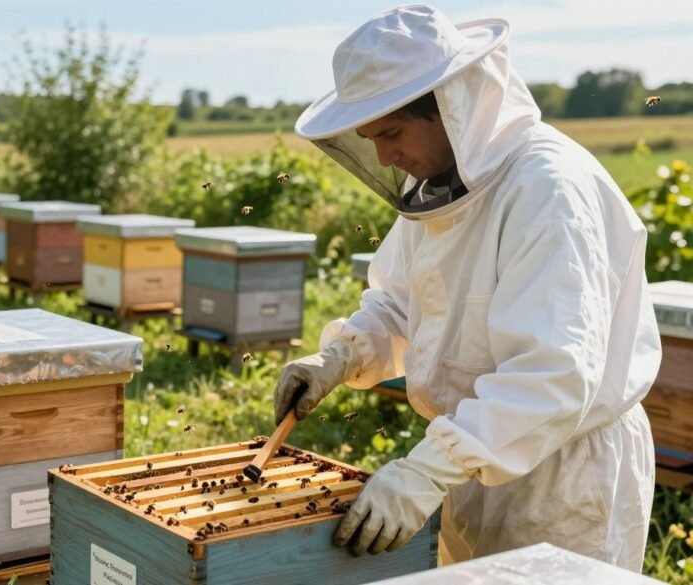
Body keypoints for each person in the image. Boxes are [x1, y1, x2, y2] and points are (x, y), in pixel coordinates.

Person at [273, 3, 661, 571]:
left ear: (452, 107)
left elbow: (553, 375)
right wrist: (338, 355)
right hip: (470, 457)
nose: (384, 156)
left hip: (561, 475)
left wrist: (427, 469)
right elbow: (402, 301)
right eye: (369, 138)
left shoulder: (548, 191)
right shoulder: (441, 189)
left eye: (393, 132)